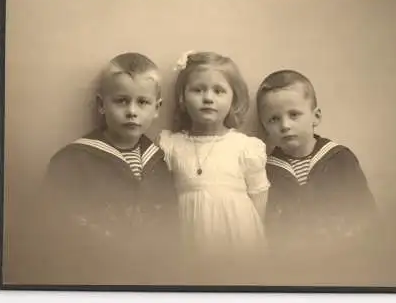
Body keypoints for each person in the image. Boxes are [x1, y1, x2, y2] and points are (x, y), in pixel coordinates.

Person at [43, 52, 177, 284]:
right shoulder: (71, 162)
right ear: (101, 105)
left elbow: (170, 221)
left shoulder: (159, 160)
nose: (132, 111)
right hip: (94, 273)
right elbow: (56, 229)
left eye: (143, 102)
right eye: (121, 100)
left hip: (151, 273)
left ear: (157, 108)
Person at [256, 69, 378, 261]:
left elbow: (365, 213)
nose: (285, 125)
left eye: (294, 114)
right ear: (264, 127)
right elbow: (267, 226)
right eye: (274, 119)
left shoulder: (340, 159)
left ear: (316, 117)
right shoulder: (267, 171)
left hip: (343, 257)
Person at [159, 51, 269, 262]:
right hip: (188, 234)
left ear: (233, 99)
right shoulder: (171, 145)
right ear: (182, 98)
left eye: (219, 91)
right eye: (198, 90)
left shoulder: (245, 147)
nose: (208, 98)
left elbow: (259, 201)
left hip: (237, 236)